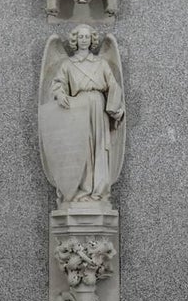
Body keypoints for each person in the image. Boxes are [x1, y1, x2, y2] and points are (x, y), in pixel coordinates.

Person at [41, 24, 125, 203]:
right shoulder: (68, 64)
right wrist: (60, 94)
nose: (84, 40)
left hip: (98, 106)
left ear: (92, 40)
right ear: (76, 40)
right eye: (81, 37)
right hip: (78, 108)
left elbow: (113, 85)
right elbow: (57, 84)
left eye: (87, 37)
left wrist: (114, 108)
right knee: (83, 147)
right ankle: (83, 188)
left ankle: (99, 190)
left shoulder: (101, 63)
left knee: (99, 146)